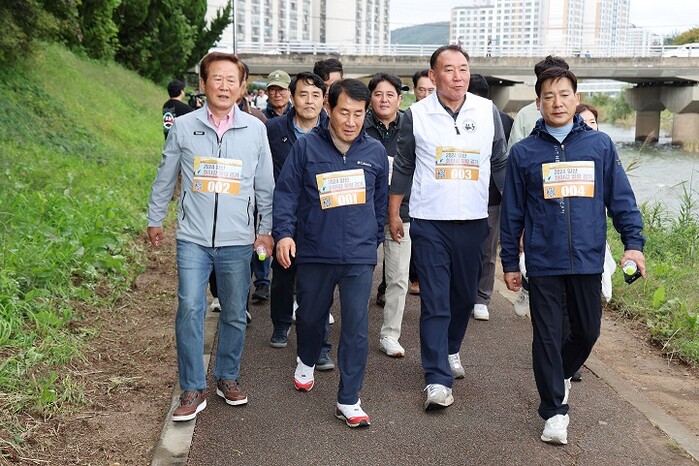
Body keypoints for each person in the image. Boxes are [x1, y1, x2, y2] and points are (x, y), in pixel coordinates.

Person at [500, 67, 646, 445]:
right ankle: (554, 411)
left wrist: (633, 244)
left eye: (564, 94)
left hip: (587, 257)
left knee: (587, 331)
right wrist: (510, 262)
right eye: (549, 96)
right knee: (547, 336)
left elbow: (622, 200)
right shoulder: (524, 153)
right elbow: (512, 213)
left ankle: (560, 373)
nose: (557, 102)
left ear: (576, 98)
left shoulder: (599, 146)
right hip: (543, 260)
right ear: (538, 103)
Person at [147, 52, 275, 422]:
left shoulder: (255, 129)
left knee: (235, 311)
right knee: (190, 307)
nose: (223, 86)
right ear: (203, 84)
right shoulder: (184, 126)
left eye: (231, 80)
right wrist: (155, 218)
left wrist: (265, 230)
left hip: (237, 239)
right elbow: (166, 174)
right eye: (216, 78)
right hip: (193, 237)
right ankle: (192, 387)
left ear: (242, 87)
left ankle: (227, 377)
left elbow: (265, 185)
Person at [390, 45, 507, 411]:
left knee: (463, 296)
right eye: (449, 69)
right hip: (429, 220)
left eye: (463, 69)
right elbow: (404, 164)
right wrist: (394, 212)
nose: (458, 76)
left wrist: (517, 211)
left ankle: (451, 348)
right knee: (436, 300)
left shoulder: (486, 111)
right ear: (434, 75)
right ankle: (437, 378)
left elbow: (500, 162)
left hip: (474, 219)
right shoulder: (417, 115)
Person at [273, 79, 388, 428]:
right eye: (344, 112)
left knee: (356, 327)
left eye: (358, 114)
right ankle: (306, 358)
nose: (351, 121)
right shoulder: (307, 147)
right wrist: (284, 234)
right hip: (315, 252)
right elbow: (287, 193)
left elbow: (379, 203)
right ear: (329, 109)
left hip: (358, 257)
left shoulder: (375, 152)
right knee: (310, 318)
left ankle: (348, 399)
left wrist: (371, 238)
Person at [266, 71, 335, 370]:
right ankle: (281, 323)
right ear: (292, 98)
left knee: (319, 284)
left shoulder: (333, 129)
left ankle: (320, 345)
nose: (309, 101)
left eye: (316, 95)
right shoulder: (273, 129)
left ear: (324, 100)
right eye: (303, 95)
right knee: (283, 274)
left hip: (322, 219)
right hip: (286, 214)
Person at [507, 55, 570, 317]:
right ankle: (528, 286)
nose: (557, 102)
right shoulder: (526, 115)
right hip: (538, 206)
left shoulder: (573, 111)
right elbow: (514, 168)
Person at [363, 73, 410, 357]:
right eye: (378, 94)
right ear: (370, 98)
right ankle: (355, 327)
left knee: (398, 277)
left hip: (401, 213)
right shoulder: (359, 125)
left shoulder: (411, 127)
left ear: (399, 99)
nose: (384, 100)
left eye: (390, 94)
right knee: (358, 274)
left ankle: (390, 334)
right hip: (363, 212)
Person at [467, 74, 513, 321]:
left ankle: (482, 298)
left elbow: (507, 158)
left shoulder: (504, 120)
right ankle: (465, 294)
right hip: (463, 194)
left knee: (488, 249)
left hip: (492, 196)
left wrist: (510, 195)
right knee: (464, 248)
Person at [406, 69, 436, 296]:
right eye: (421, 90)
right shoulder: (410, 117)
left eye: (430, 90)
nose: (425, 95)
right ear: (414, 90)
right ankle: (412, 276)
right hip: (411, 185)